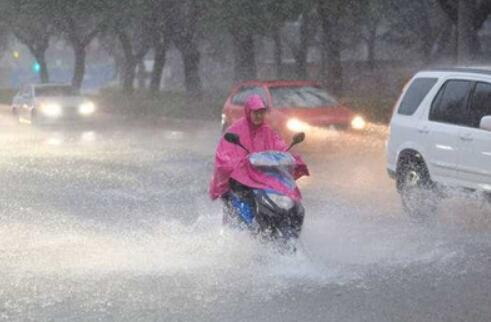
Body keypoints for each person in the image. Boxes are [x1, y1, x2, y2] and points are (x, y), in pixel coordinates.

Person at [209, 94, 290, 200]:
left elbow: (278, 146)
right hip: (241, 178)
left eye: (261, 113)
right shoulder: (236, 130)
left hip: (263, 175)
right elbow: (224, 155)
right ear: (249, 112)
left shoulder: (267, 131)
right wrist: (237, 164)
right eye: (255, 113)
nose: (259, 116)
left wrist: (285, 155)